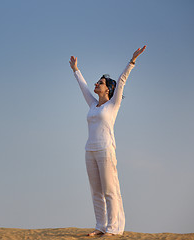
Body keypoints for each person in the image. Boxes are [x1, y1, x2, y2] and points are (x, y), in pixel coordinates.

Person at [69, 46, 146, 237]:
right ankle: (100, 227)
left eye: (100, 83)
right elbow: (83, 87)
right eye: (97, 82)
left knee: (110, 191)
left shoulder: (113, 104)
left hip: (106, 150)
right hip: (90, 150)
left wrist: (132, 61)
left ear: (108, 89)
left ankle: (113, 229)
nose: (96, 84)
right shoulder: (92, 104)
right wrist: (75, 70)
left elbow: (122, 81)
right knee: (96, 191)